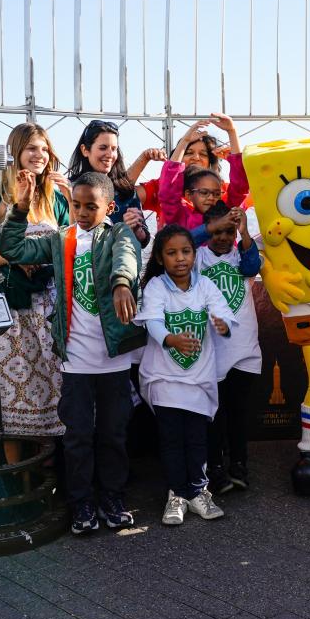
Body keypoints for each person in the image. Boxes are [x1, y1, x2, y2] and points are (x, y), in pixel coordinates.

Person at [0, 171, 147, 535]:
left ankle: (112, 496)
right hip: (75, 359)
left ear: (109, 207)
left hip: (112, 359)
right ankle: (81, 502)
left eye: (90, 206)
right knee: (77, 435)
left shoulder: (117, 234)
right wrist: (19, 208)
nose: (81, 212)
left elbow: (128, 256)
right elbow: (13, 250)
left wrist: (122, 284)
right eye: (76, 204)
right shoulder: (60, 239)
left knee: (113, 433)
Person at [136, 225, 236, 525]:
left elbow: (224, 314)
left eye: (186, 251)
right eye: (172, 253)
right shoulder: (155, 287)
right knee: (170, 439)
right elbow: (152, 321)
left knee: (196, 439)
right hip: (165, 379)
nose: (180, 258)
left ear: (194, 254)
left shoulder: (206, 285)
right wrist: (171, 339)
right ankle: (176, 495)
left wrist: (223, 325)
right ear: (160, 257)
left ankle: (198, 492)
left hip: (198, 379)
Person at [0, 124, 72, 462]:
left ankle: (54, 474)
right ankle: (19, 477)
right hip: (15, 311)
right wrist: (19, 258)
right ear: (17, 152)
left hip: (52, 305)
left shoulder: (56, 193)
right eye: (31, 149)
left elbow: (73, 242)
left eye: (43, 148)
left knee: (57, 390)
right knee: (19, 392)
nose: (38, 155)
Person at [196, 202, 263, 493]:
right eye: (216, 232)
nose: (223, 238)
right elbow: (183, 237)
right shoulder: (196, 257)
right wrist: (208, 229)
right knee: (214, 414)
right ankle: (215, 467)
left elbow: (253, 266)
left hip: (244, 350)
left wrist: (245, 231)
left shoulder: (241, 254)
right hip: (212, 353)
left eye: (229, 231)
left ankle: (239, 464)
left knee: (238, 411)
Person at [137, 115, 249, 232]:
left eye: (203, 154)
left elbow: (240, 188)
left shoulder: (221, 196)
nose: (196, 158)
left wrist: (232, 132)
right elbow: (126, 196)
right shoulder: (164, 193)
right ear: (188, 194)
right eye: (189, 152)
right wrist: (184, 141)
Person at [66, 119, 157, 247]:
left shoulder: (125, 189)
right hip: (81, 264)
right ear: (85, 150)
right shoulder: (69, 187)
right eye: (103, 148)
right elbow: (61, 236)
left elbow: (143, 241)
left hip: (121, 265)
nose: (110, 154)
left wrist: (136, 229)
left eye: (114, 149)